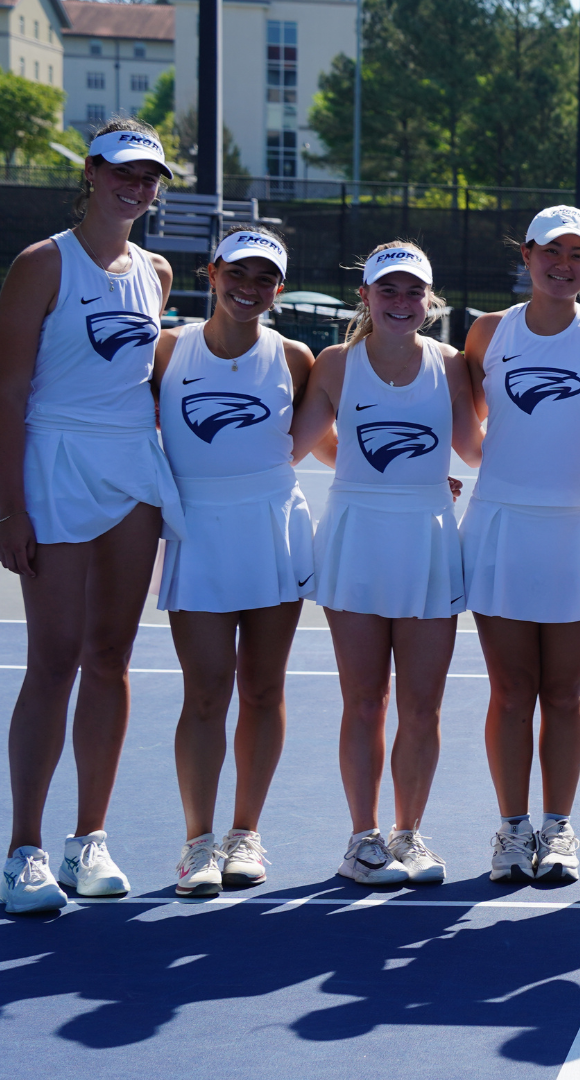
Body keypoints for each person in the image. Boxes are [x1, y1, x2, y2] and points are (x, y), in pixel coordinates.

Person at [0, 122, 180, 913]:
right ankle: (24, 851)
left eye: (151, 178)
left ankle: (88, 842)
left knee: (111, 655)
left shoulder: (159, 271)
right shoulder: (42, 263)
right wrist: (10, 507)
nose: (138, 188)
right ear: (92, 172)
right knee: (55, 658)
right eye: (126, 174)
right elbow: (8, 393)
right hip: (57, 465)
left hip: (132, 471)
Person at [460, 207, 580, 885]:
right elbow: (463, 421)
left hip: (579, 529)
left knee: (565, 693)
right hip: (503, 527)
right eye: (552, 252)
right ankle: (512, 831)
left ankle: (558, 828)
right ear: (527, 253)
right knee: (510, 691)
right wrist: (490, 468)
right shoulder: (487, 332)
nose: (564, 266)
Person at [292, 242, 481, 886]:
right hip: (356, 537)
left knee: (422, 705)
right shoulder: (336, 364)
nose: (401, 302)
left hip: (429, 538)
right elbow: (298, 443)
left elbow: (479, 451)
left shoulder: (454, 367)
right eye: (388, 290)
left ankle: (409, 835)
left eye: (413, 292)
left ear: (430, 303)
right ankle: (362, 839)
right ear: (366, 297)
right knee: (364, 702)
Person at [153, 228, 320, 896]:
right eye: (238, 274)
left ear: (278, 289)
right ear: (213, 272)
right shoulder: (167, 350)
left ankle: (245, 835)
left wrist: (424, 479)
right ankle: (197, 844)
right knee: (205, 691)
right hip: (197, 532)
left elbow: (319, 437)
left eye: (264, 279)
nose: (249, 289)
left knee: (262, 688)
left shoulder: (297, 357)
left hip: (274, 526)